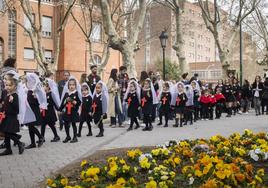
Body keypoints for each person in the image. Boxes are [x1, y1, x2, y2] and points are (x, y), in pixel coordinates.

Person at [0, 74, 25, 156]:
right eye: (6, 85)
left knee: (8, 133)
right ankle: (8, 149)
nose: (7, 87)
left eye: (10, 85)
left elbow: (17, 109)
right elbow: (4, 106)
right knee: (6, 133)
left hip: (12, 118)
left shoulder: (15, 96)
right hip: (6, 117)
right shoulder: (6, 94)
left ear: (15, 86)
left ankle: (19, 143)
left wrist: (12, 101)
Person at [22, 73, 47, 149]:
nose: (26, 82)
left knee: (31, 126)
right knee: (30, 127)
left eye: (28, 81)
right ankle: (33, 143)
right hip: (29, 110)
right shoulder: (28, 90)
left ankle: (40, 137)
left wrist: (37, 97)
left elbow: (42, 98)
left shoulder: (36, 89)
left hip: (33, 110)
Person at [60, 76, 82, 143]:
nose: (71, 86)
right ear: (68, 86)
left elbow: (79, 102)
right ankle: (68, 136)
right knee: (66, 124)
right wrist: (59, 109)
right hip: (67, 112)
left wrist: (74, 101)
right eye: (70, 85)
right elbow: (63, 102)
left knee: (73, 124)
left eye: (73, 85)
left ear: (75, 86)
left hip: (73, 112)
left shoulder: (76, 93)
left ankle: (75, 137)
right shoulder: (66, 94)